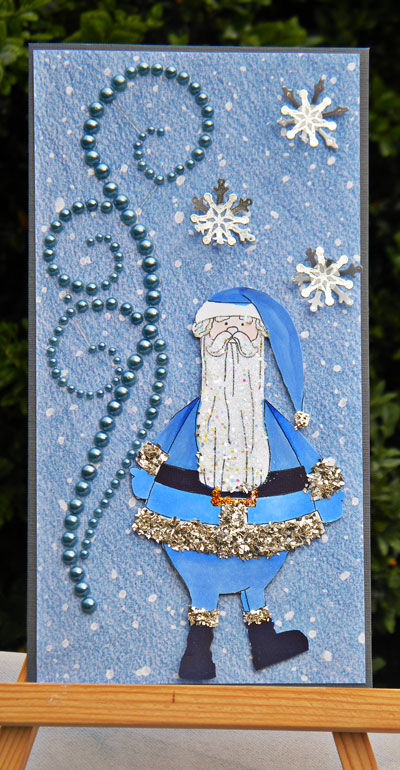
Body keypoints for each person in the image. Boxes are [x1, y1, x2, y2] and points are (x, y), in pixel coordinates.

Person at [131, 287, 344, 680]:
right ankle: (198, 652)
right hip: (192, 513)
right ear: (204, 336)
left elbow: (302, 450)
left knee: (258, 564)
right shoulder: (193, 416)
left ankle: (263, 641)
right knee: (199, 569)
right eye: (221, 327)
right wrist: (146, 477)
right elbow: (162, 444)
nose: (231, 336)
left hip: (264, 514)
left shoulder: (269, 420)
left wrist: (324, 492)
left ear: (260, 339)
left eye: (243, 326)